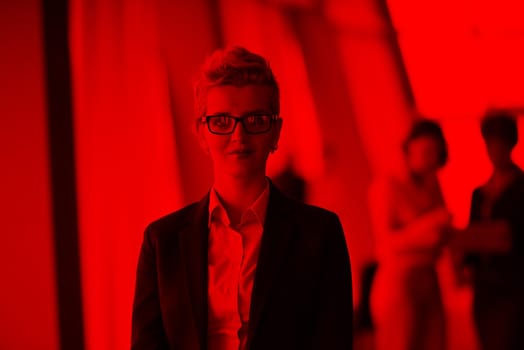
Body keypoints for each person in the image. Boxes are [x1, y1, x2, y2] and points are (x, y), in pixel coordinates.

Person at [131, 46, 353, 350]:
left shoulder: (320, 234)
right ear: (201, 133)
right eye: (222, 121)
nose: (239, 136)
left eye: (256, 119)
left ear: (275, 132)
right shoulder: (161, 241)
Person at [368, 119, 451, 350]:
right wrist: (428, 227)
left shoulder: (432, 184)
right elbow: (384, 241)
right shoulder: (387, 185)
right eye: (425, 152)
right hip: (400, 281)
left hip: (429, 278)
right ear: (409, 150)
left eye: (436, 153)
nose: (431, 159)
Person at [451, 111, 524, 350]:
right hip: (485, 285)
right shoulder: (480, 193)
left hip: (514, 283)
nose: (494, 151)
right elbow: (473, 234)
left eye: (499, 144)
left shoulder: (520, 188)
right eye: (490, 145)